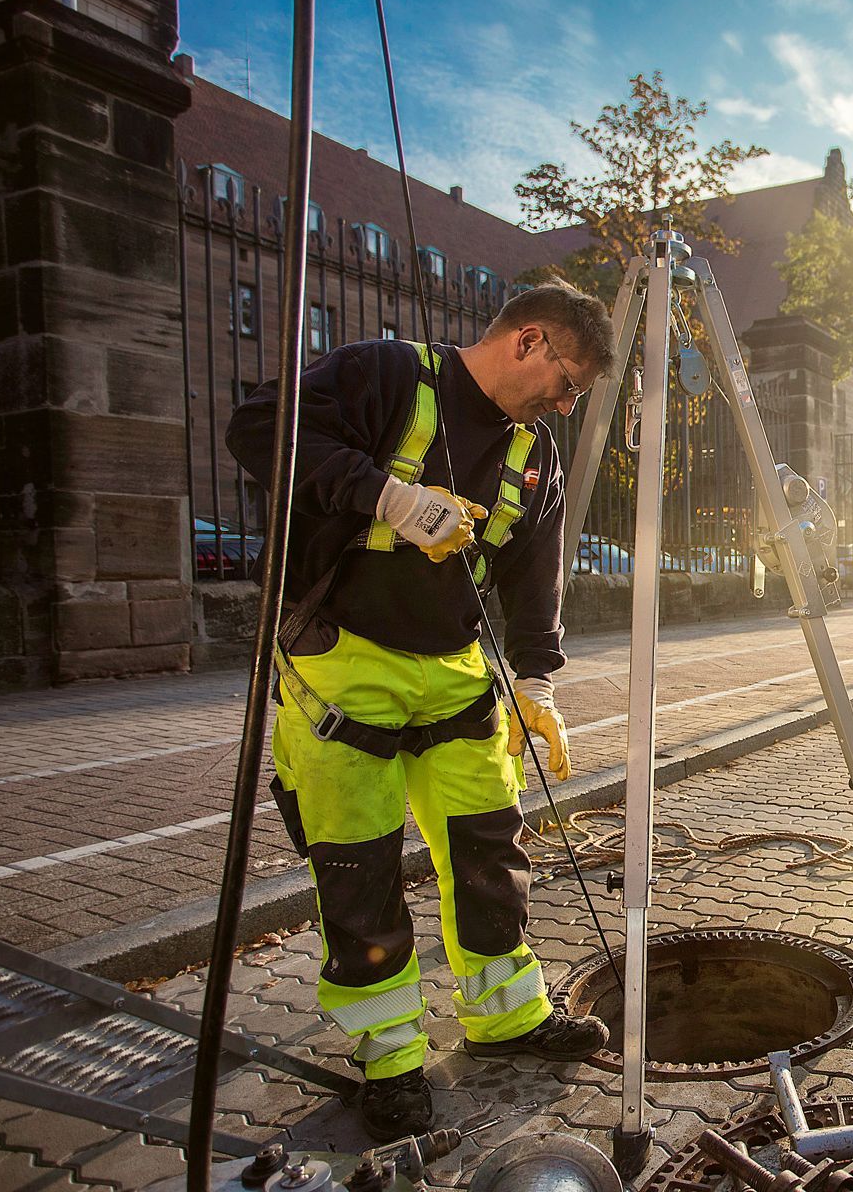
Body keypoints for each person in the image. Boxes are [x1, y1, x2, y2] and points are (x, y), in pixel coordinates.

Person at [226, 282, 614, 1140]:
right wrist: (386, 496)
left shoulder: (535, 455)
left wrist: (538, 681)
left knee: (489, 851)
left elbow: (534, 576)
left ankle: (506, 1014)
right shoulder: (388, 377)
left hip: (458, 676)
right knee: (360, 873)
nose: (567, 401)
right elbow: (259, 430)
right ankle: (392, 1057)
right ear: (528, 341)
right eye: (568, 379)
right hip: (345, 668)